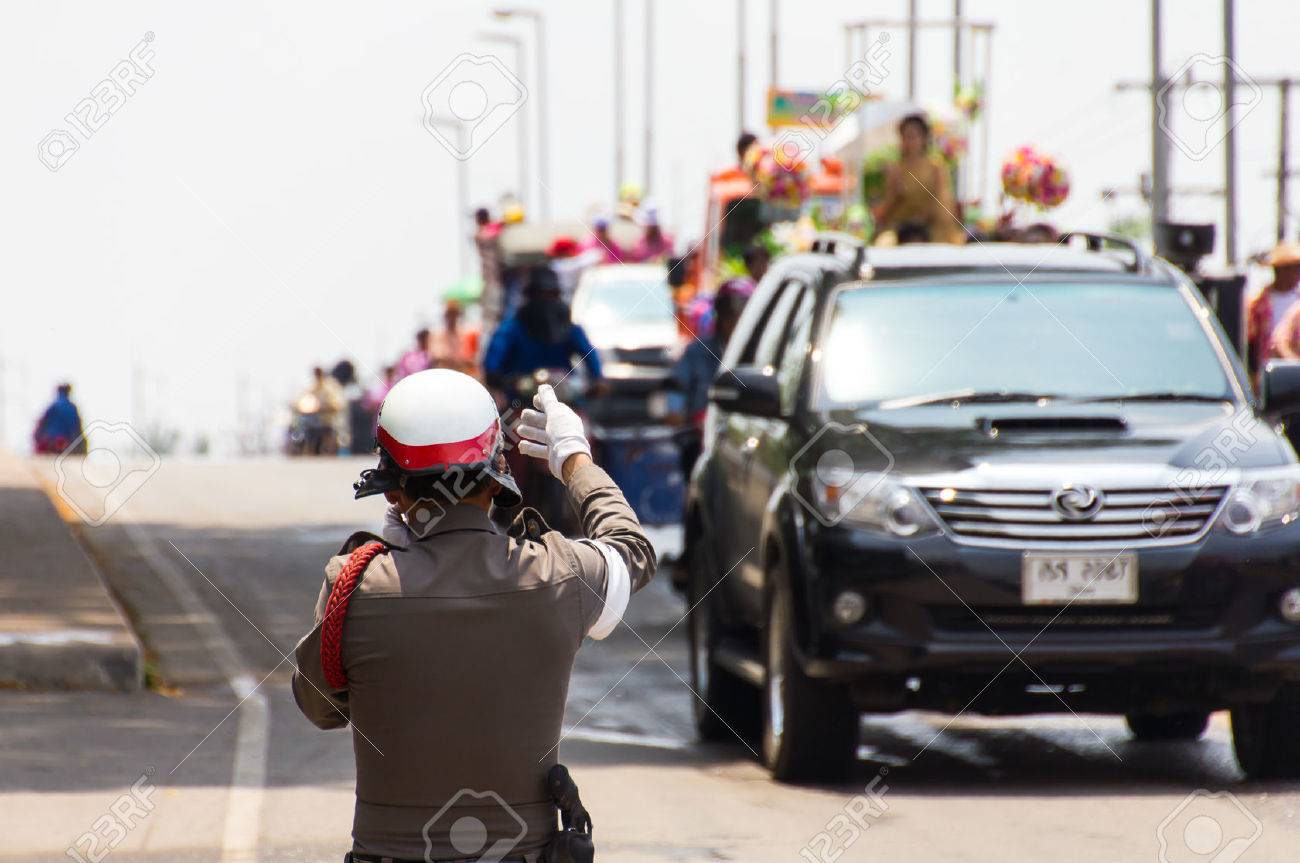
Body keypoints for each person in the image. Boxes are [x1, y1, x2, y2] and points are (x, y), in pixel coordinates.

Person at [291, 369, 656, 861]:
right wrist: (574, 460)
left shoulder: (353, 586)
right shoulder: (558, 573)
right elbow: (631, 549)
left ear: (392, 493)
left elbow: (319, 708)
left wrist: (390, 559)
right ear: (496, 477)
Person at [667, 277, 754, 478]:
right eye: (729, 311)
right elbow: (677, 387)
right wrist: (676, 410)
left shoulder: (761, 356)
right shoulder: (696, 351)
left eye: (741, 311)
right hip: (701, 442)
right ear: (719, 313)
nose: (734, 318)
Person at [482, 267, 604, 397]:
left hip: (563, 397)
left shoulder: (570, 329)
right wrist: (506, 381)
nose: (545, 301)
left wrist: (597, 381)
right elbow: (492, 366)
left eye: (551, 295)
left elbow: (591, 358)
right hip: (522, 399)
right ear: (530, 296)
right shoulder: (512, 329)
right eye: (539, 295)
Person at [871, 113, 965, 246]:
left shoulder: (936, 168)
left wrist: (921, 219)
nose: (907, 142)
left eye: (912, 137)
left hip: (931, 229)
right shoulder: (896, 170)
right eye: (903, 137)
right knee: (884, 243)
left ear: (924, 139)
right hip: (901, 229)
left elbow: (943, 203)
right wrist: (896, 195)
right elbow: (888, 209)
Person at [1250, 243, 1300, 374]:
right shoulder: (1258, 304)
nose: (1297, 273)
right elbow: (1251, 342)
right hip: (1268, 369)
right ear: (1279, 270)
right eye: (1293, 268)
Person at [473, 207, 505, 341]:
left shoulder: (489, 231)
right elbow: (490, 235)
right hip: (491, 279)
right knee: (491, 316)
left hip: (496, 279)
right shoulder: (480, 235)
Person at [33, 383, 85, 454]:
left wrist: (38, 437)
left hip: (50, 441)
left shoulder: (53, 406)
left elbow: (42, 423)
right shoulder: (72, 408)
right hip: (64, 443)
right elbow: (77, 428)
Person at [429, 300, 476, 373]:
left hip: (460, 373)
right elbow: (435, 355)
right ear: (445, 316)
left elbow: (469, 357)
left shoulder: (465, 334)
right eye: (450, 314)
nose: (452, 318)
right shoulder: (437, 334)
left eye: (454, 314)